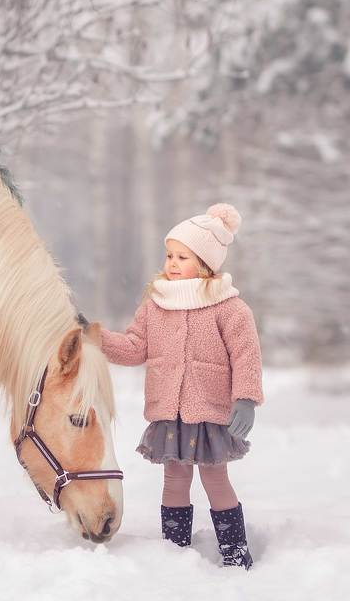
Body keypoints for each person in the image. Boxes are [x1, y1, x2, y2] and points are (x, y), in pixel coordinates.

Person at [89, 203, 263, 568]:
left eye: (182, 256)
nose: (171, 263)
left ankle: (234, 550)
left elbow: (246, 355)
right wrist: (95, 337)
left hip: (210, 411)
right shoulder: (156, 305)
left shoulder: (228, 307)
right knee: (175, 478)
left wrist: (245, 398)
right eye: (169, 255)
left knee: (215, 478)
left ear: (204, 262)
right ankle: (174, 550)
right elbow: (135, 347)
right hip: (170, 411)